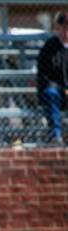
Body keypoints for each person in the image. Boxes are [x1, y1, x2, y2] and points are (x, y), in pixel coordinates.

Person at [37, 11, 68, 144]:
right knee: (50, 93)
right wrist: (63, 89)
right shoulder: (49, 47)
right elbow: (43, 75)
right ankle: (56, 136)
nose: (66, 31)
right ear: (58, 28)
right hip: (57, 92)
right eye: (64, 27)